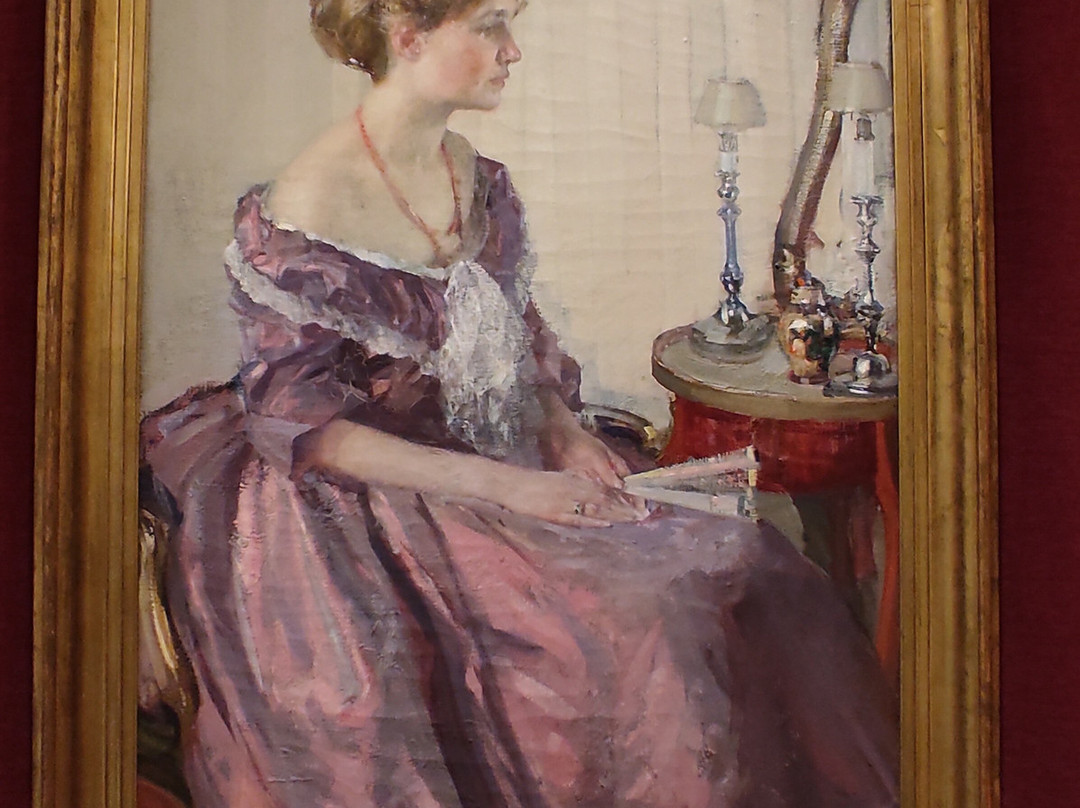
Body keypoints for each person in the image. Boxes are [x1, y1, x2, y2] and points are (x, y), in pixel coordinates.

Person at [140, 1, 900, 805]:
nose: (513, 51)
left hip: (502, 453)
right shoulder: (305, 202)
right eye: (491, 24)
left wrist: (564, 433)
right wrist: (516, 487)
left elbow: (516, 343)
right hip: (371, 499)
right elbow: (309, 426)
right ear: (408, 37)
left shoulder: (475, 175)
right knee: (653, 616)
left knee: (748, 561)